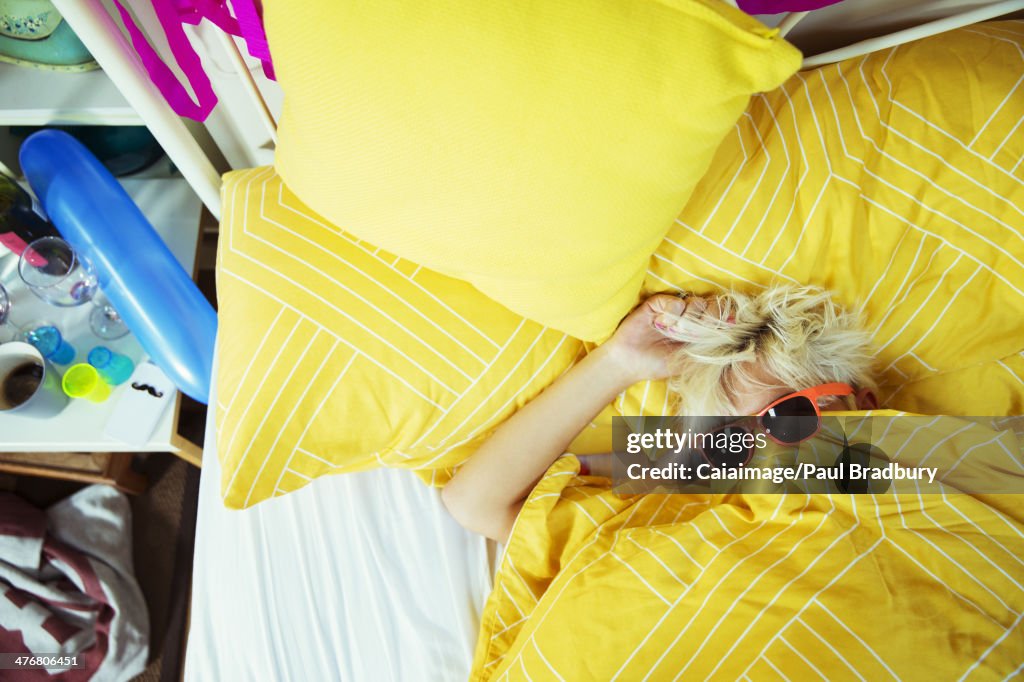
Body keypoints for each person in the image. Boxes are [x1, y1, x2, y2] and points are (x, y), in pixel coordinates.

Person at [442, 284, 879, 543]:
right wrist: (620, 363)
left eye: (789, 417)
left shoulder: (936, 494)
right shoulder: (679, 525)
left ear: (867, 407)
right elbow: (475, 504)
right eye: (729, 447)